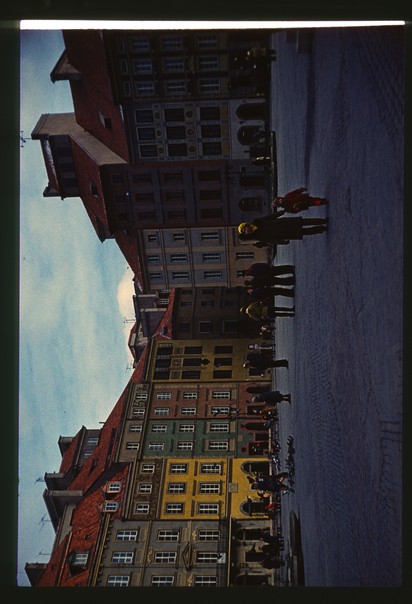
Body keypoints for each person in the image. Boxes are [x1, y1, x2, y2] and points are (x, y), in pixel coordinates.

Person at [238, 212, 328, 244]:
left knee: (304, 222)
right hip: (284, 233)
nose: (246, 231)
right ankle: (322, 229)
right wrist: (282, 242)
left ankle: (322, 221)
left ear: (246, 225)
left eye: (244, 229)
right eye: (244, 232)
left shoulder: (257, 221)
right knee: (305, 232)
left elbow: (270, 217)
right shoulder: (258, 237)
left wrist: (280, 213)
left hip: (283, 223)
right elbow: (271, 240)